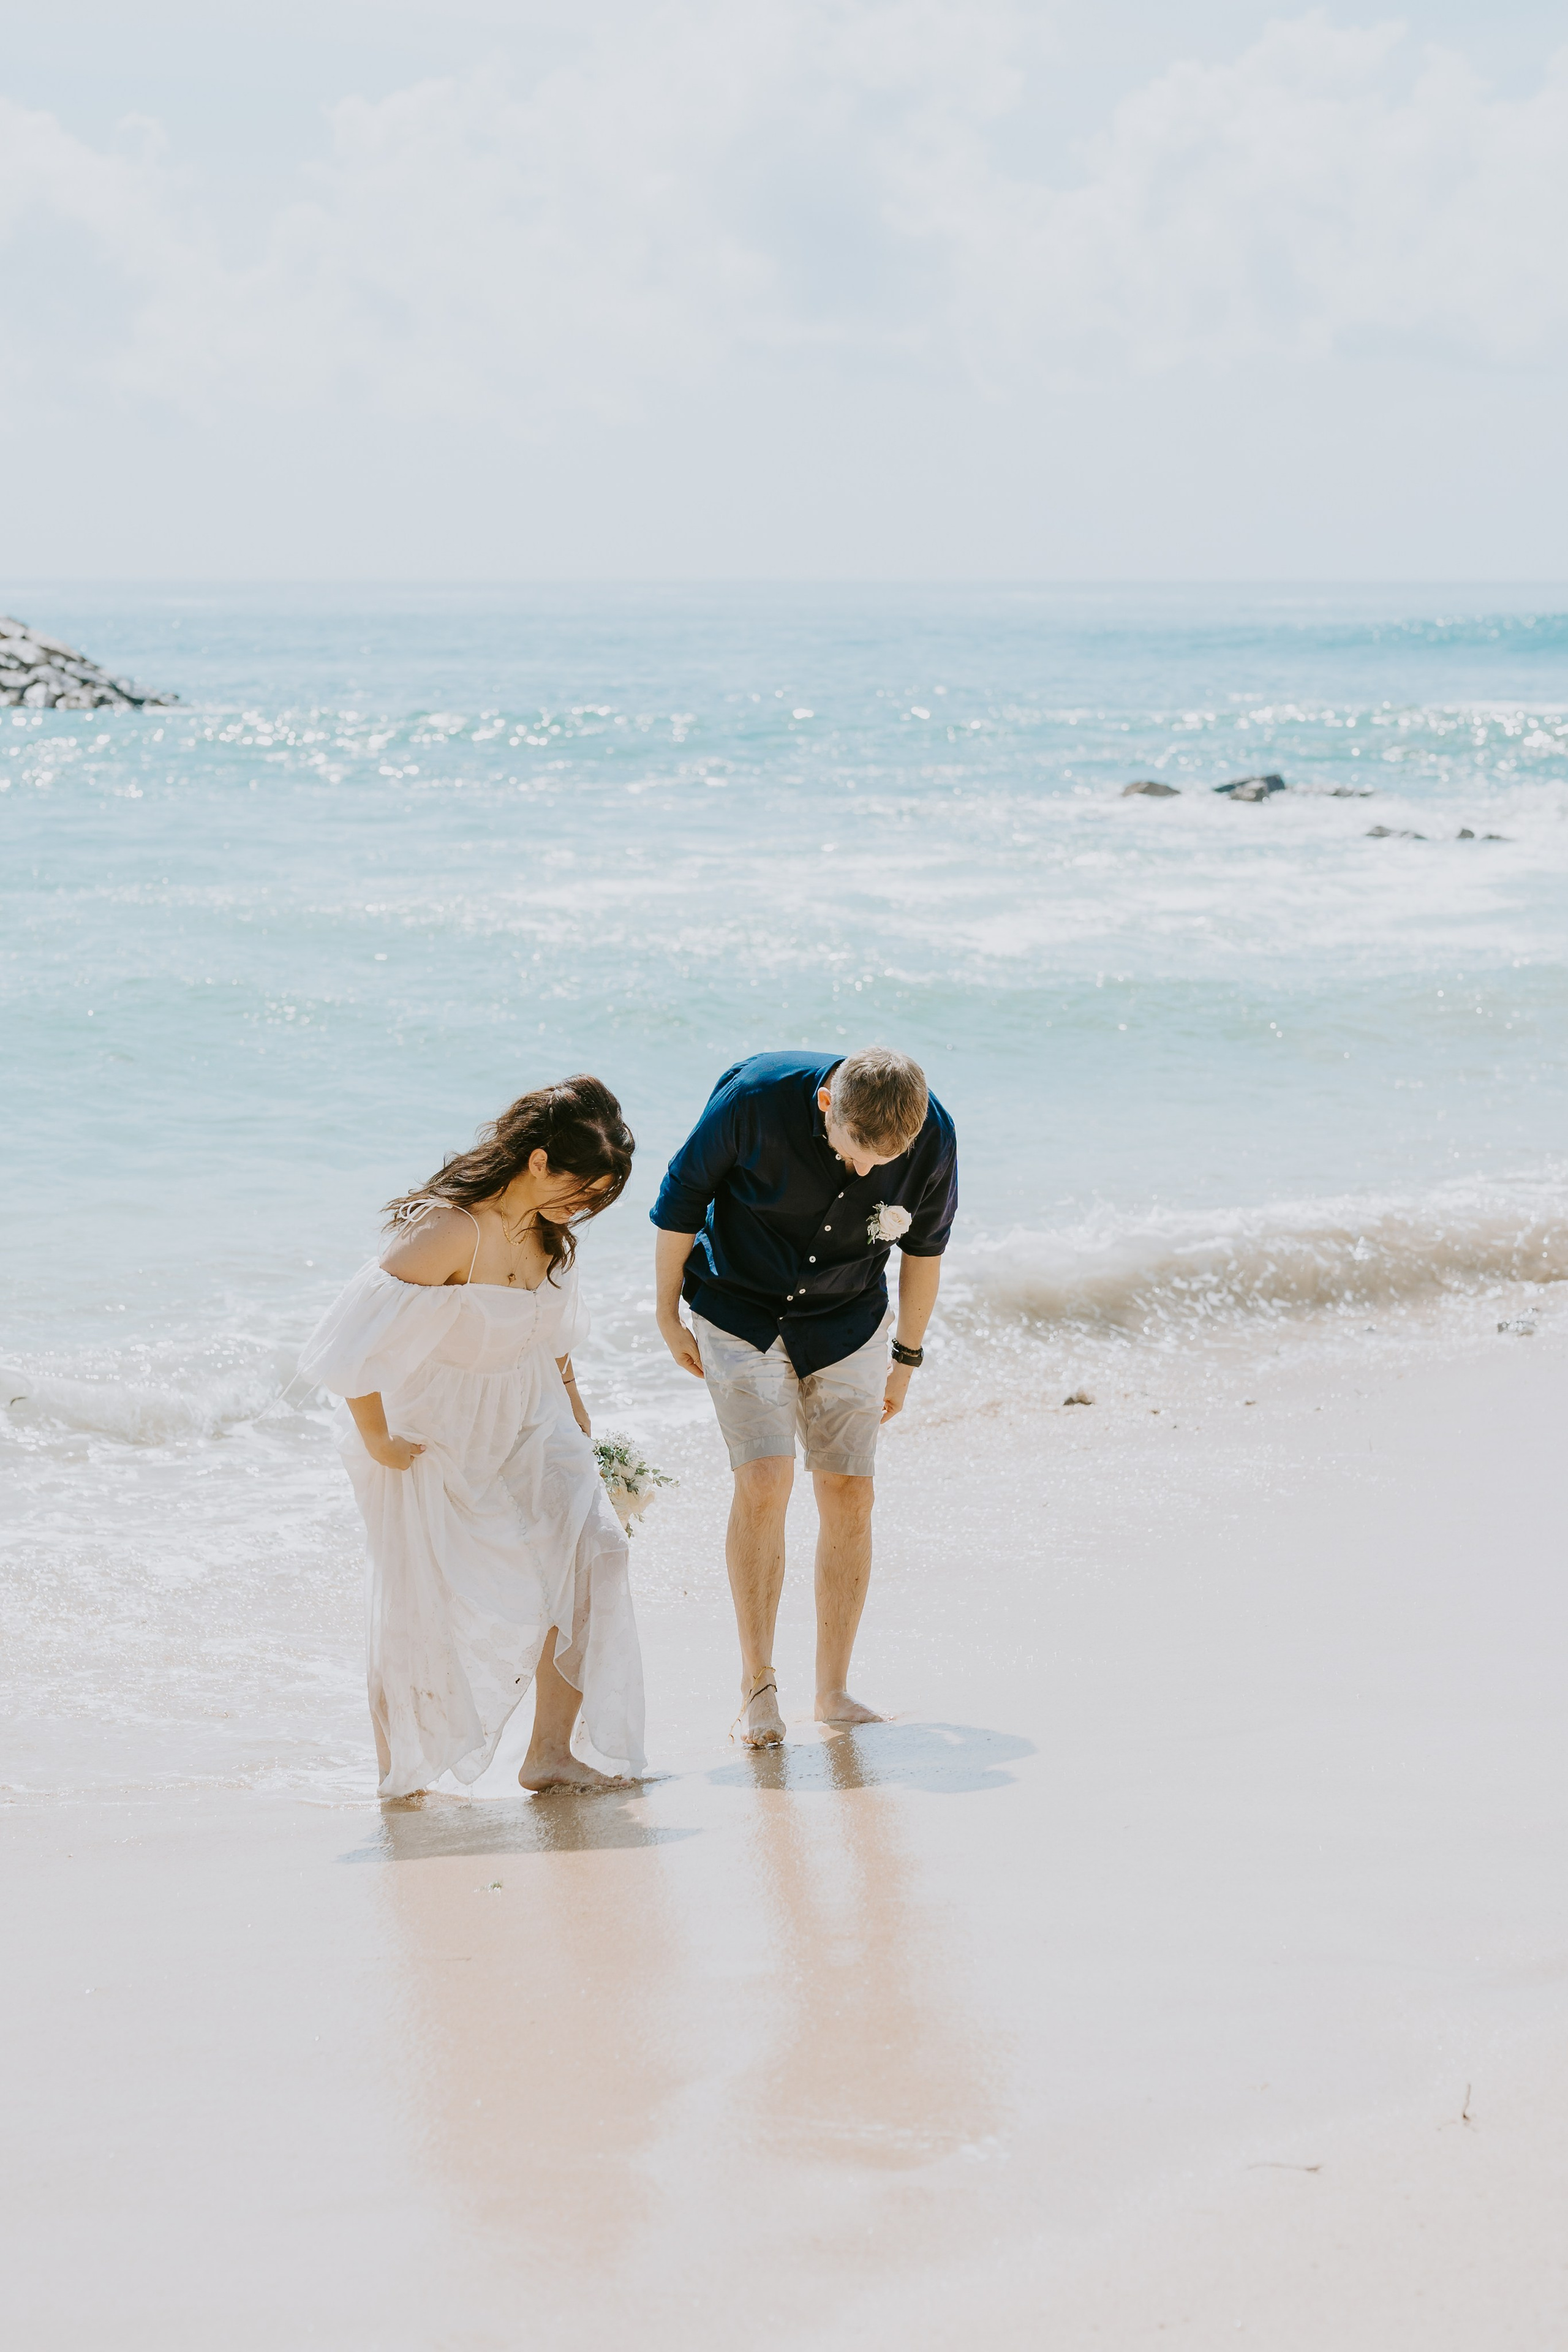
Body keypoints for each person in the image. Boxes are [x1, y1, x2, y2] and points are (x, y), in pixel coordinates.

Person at [297, 1076, 644, 1800]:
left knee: (599, 1552)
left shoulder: (551, 1235)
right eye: (581, 1190)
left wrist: (577, 1406)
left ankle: (549, 1753)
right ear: (539, 1161)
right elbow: (352, 1344)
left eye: (598, 1199)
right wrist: (378, 1439)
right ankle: (406, 1774)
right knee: (419, 1598)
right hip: (433, 1432)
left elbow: (553, 1335)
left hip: (533, 1415)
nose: (583, 1209)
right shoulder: (451, 1229)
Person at [652, 1046, 957, 1746]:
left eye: (887, 1161)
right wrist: (666, 1314)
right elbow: (679, 1197)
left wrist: (906, 1358)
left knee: (850, 1492)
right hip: (738, 1306)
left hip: (847, 1319)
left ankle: (833, 1691)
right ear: (828, 1107)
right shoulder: (753, 1099)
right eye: (857, 1152)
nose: (868, 1172)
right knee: (764, 1480)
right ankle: (758, 1687)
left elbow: (925, 1251)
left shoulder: (932, 1132)